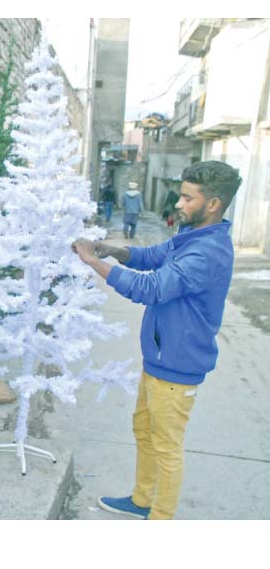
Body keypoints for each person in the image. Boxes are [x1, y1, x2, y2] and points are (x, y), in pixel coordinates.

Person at [71, 160, 242, 520]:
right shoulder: (191, 238)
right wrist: (112, 249)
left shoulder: (207, 252)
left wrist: (92, 262)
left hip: (178, 367)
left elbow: (148, 287)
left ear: (213, 204)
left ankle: (161, 519)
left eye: (187, 198)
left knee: (166, 446)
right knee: (144, 431)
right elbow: (152, 257)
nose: (178, 204)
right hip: (160, 359)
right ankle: (142, 500)